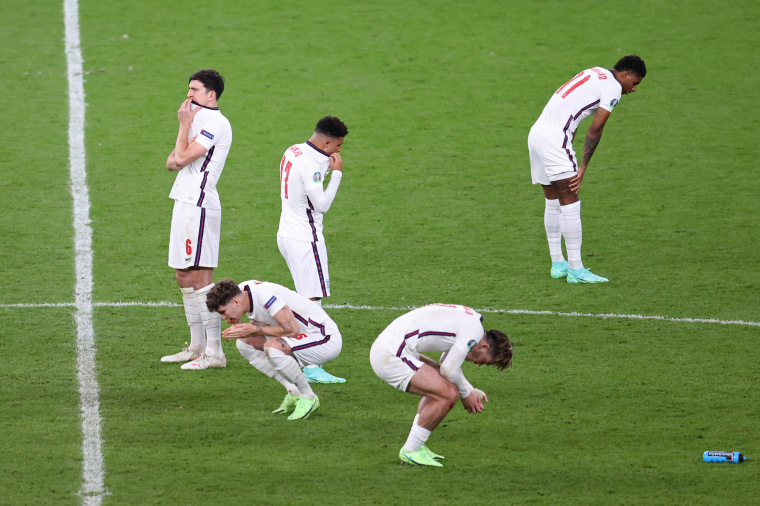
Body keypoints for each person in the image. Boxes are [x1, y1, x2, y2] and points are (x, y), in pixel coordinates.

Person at [528, 55, 647, 283]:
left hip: (536, 133)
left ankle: (558, 264)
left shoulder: (594, 71)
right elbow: (596, 129)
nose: (633, 89)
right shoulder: (613, 88)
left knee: (552, 198)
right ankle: (576, 270)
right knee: (570, 198)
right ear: (625, 74)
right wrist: (582, 166)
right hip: (555, 138)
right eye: (634, 83)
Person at [369, 304, 513, 467]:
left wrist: (469, 388)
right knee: (448, 394)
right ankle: (411, 451)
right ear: (484, 347)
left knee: (443, 385)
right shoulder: (473, 333)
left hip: (393, 348)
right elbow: (448, 368)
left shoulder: (472, 322)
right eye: (485, 362)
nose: (479, 365)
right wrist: (466, 395)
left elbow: (445, 362)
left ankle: (416, 446)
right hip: (391, 354)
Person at [160, 69, 232, 369]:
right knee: (183, 275)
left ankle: (215, 353)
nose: (188, 94)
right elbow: (170, 163)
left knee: (202, 278)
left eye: (194, 89)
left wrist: (184, 127)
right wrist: (185, 130)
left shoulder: (215, 122)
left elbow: (182, 158)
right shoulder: (196, 120)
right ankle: (196, 346)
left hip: (200, 205)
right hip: (183, 202)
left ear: (210, 94)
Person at [205, 278, 343, 420]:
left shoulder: (264, 296)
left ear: (235, 302)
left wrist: (253, 328)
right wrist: (243, 328)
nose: (222, 317)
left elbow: (293, 330)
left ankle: (308, 397)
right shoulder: (243, 293)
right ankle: (293, 391)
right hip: (302, 336)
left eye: (223, 312)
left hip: (324, 338)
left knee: (273, 348)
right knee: (244, 343)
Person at [277, 116, 349, 383]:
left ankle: (302, 358)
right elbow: (321, 205)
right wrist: (338, 173)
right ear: (327, 141)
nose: (338, 152)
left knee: (303, 298)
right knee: (312, 302)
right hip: (306, 240)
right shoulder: (313, 164)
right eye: (338, 146)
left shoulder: (293, 149)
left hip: (286, 234)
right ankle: (310, 365)